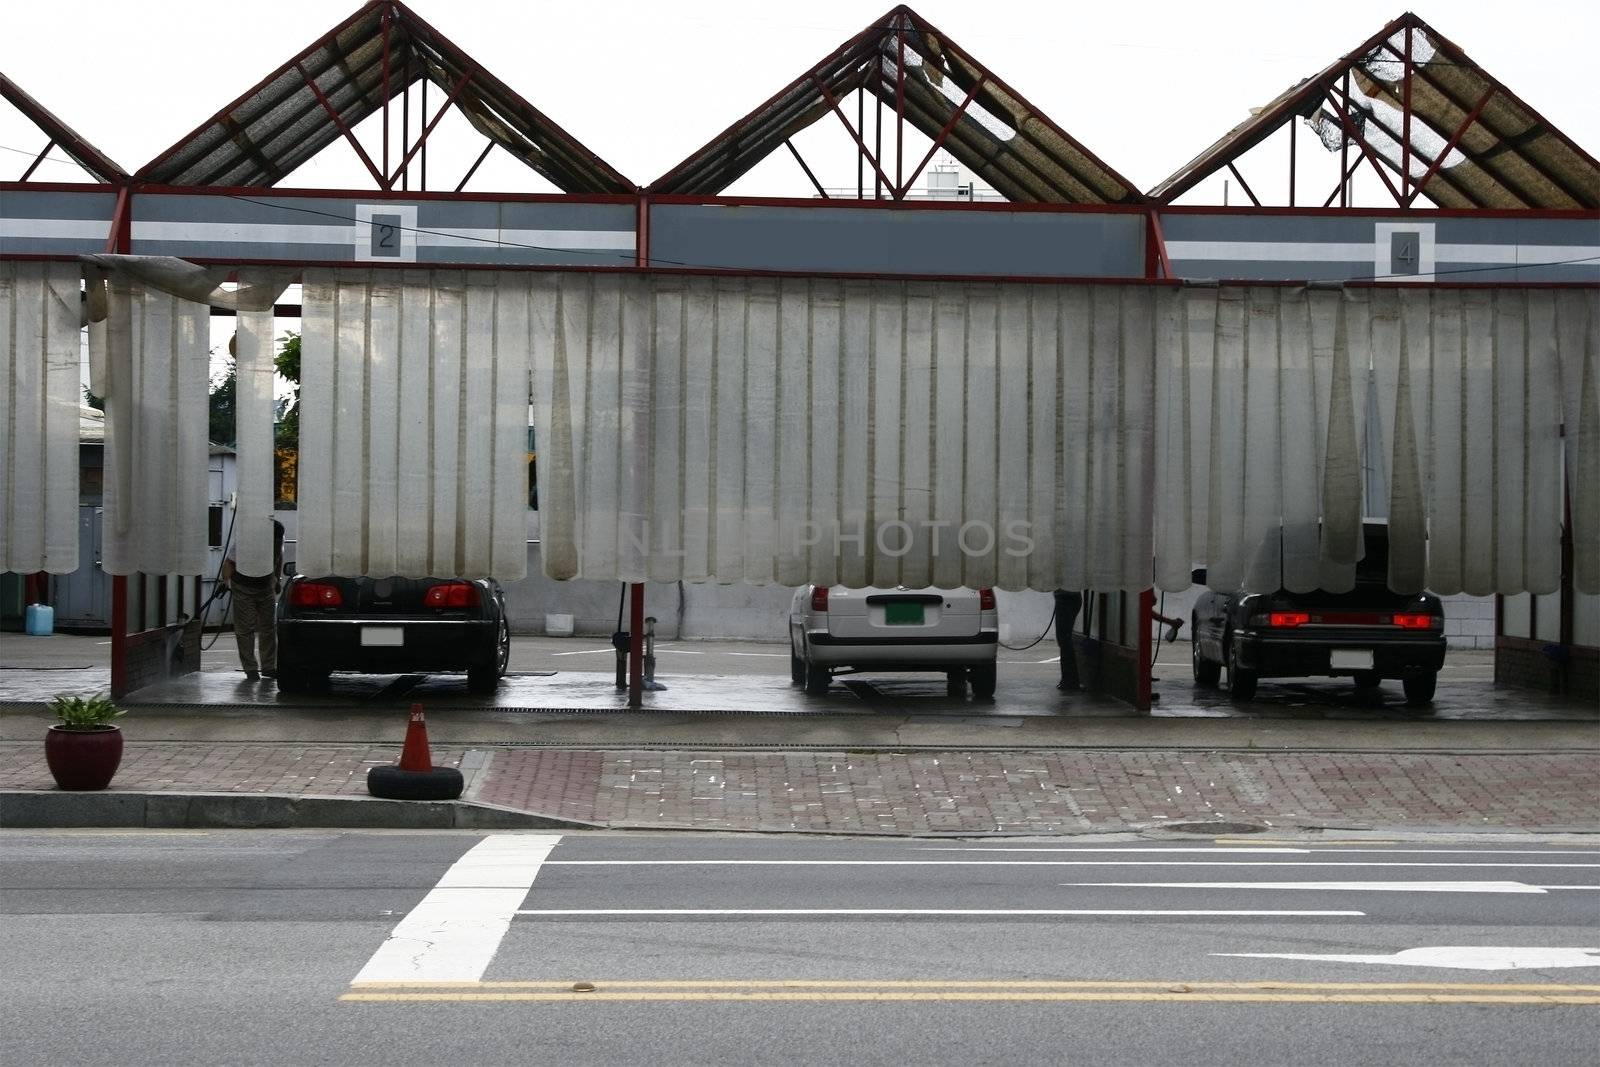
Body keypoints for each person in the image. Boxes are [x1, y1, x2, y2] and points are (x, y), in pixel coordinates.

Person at [221, 519, 285, 682]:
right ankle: (250, 668)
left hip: (265, 585)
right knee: (245, 628)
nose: (277, 543)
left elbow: (278, 560)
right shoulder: (247, 542)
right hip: (243, 586)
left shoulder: (278, 540)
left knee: (268, 627)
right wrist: (225, 582)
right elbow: (229, 561)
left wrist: (276, 579)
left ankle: (268, 667)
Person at [1052, 588, 1083, 691]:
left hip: (1065, 598)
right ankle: (1069, 679)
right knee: (1064, 639)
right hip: (1068, 597)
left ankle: (1070, 680)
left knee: (1064, 640)